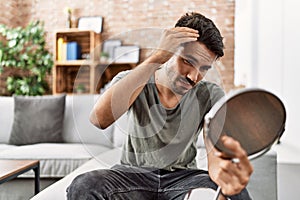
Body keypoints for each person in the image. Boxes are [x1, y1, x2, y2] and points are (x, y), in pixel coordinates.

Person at [67, 12, 253, 200]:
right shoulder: (134, 79)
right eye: (188, 61)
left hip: (184, 178)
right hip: (133, 176)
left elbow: (215, 151)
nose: (193, 77)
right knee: (84, 186)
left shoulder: (211, 94)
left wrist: (221, 176)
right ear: (170, 52)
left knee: (236, 194)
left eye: (204, 69)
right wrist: (157, 56)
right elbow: (99, 120)